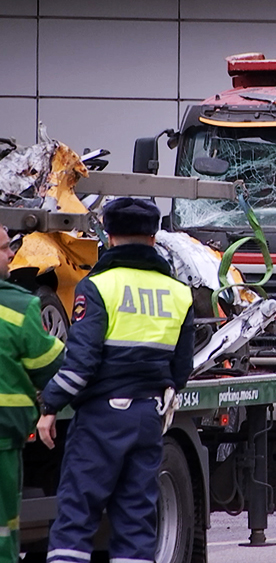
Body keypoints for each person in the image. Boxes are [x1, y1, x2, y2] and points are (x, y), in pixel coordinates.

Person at [37, 198, 195, 563]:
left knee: (77, 518)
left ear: (108, 236)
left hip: (101, 420)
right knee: (137, 520)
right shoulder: (178, 293)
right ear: (154, 239)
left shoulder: (97, 287)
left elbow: (80, 364)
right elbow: (181, 370)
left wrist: (50, 405)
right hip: (148, 418)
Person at [0, 224, 65, 563]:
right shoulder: (17, 307)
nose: (12, 253)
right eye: (3, 248)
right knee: (4, 531)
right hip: (4, 441)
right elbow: (53, 366)